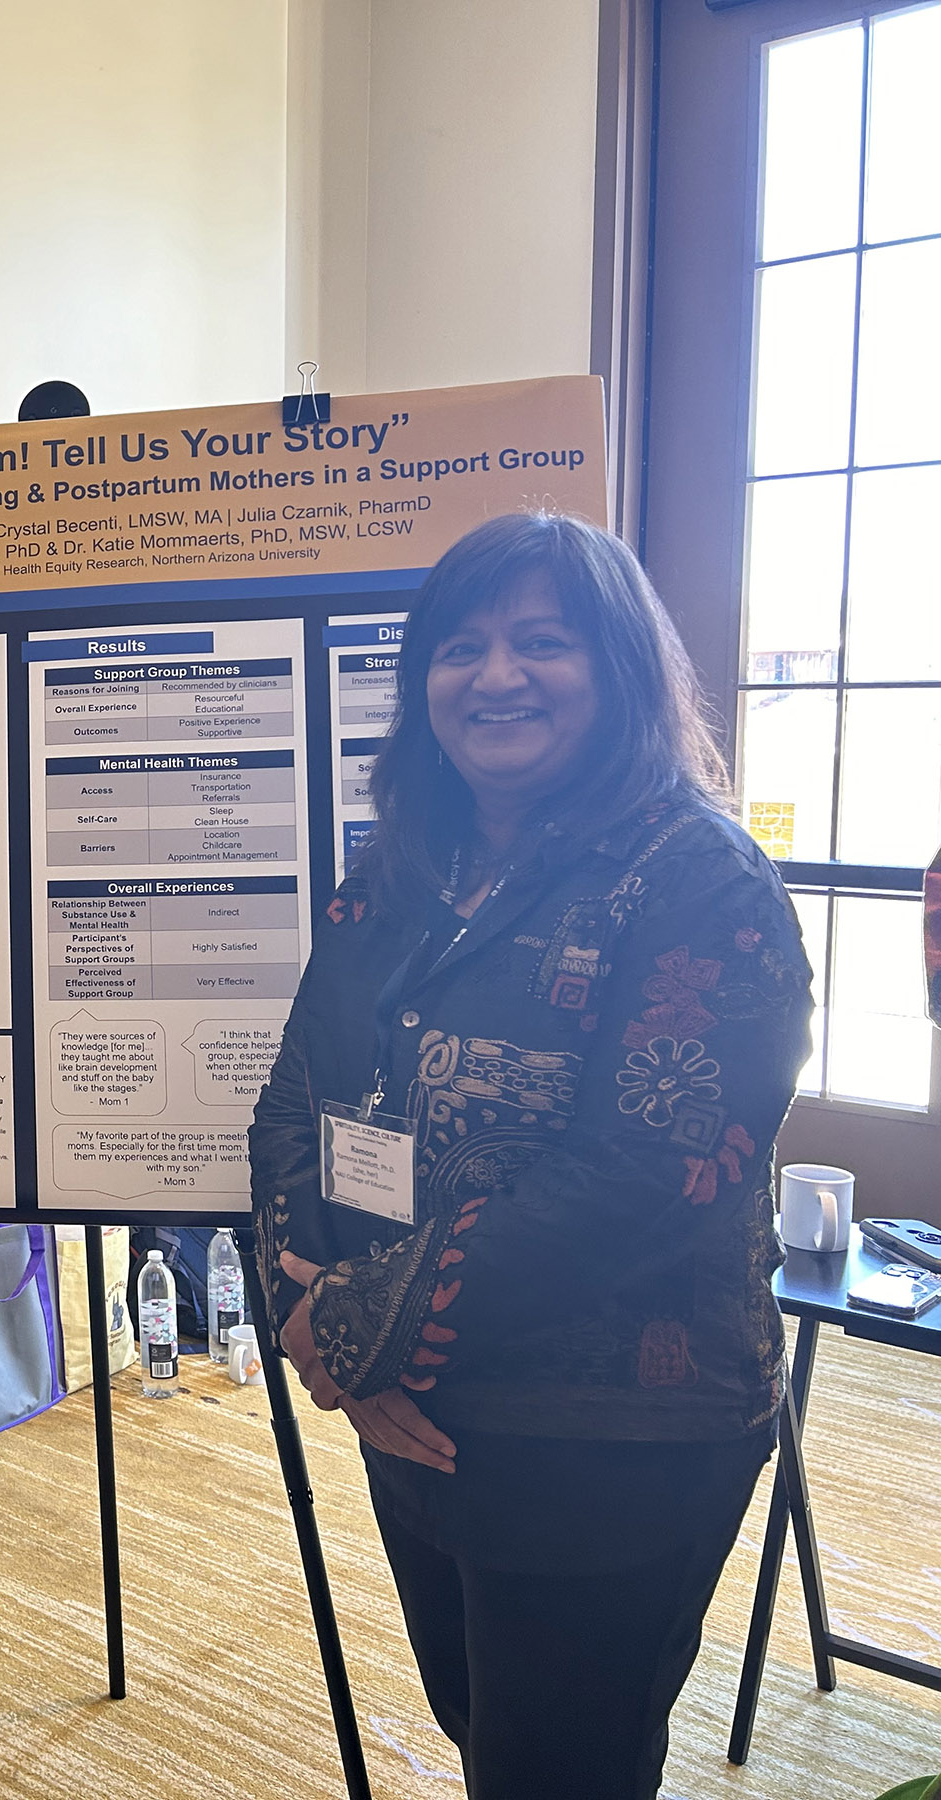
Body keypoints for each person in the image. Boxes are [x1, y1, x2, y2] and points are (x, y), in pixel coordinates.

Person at [250, 512, 812, 1799]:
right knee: (477, 1722)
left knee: (561, 1766)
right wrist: (306, 1310)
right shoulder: (404, 865)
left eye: (542, 642)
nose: (494, 676)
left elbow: (645, 1176)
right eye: (462, 646)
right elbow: (297, 1091)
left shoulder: (702, 880)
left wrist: (356, 1328)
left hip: (612, 1427)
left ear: (618, 670)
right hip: (410, 1405)